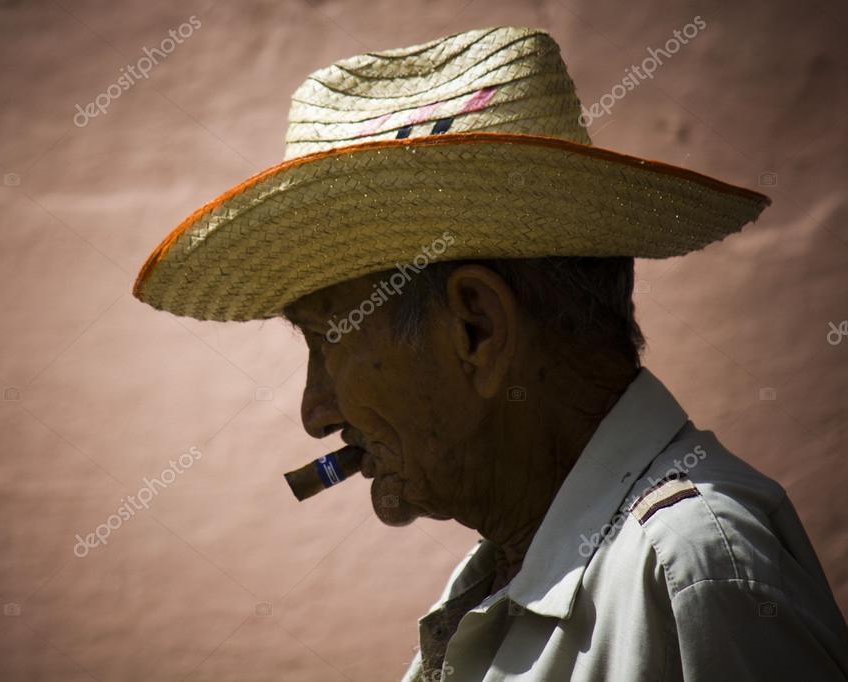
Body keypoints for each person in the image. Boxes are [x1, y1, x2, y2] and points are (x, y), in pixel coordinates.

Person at [132, 25, 848, 682]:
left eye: (327, 339)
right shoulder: (526, 577)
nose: (316, 415)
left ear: (475, 328)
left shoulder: (693, 572)